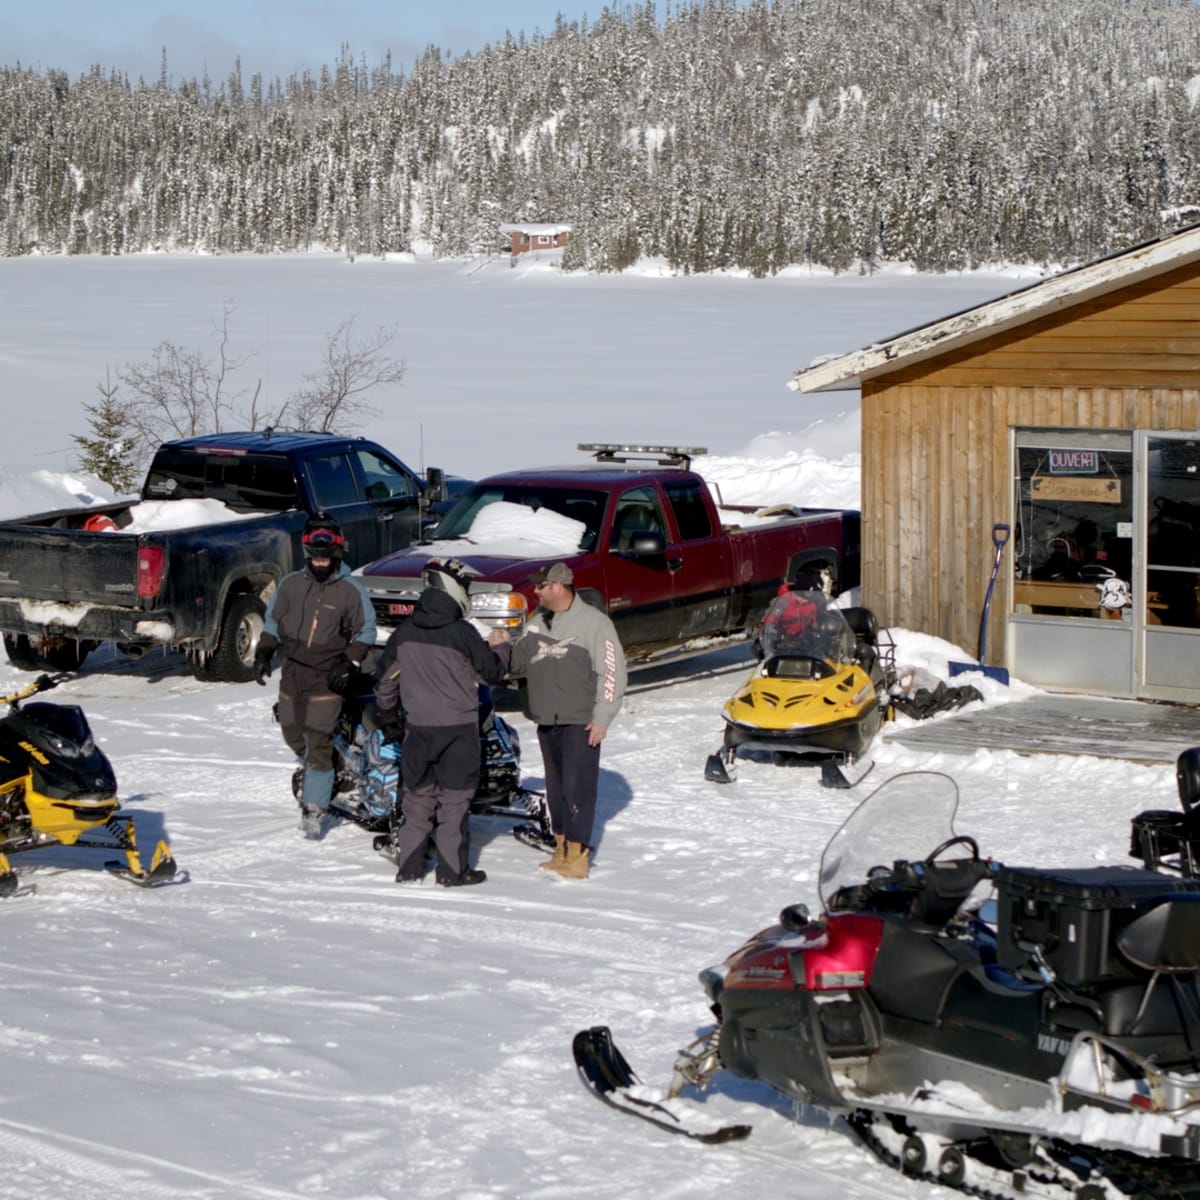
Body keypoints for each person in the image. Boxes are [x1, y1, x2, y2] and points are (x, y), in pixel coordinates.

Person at [373, 558, 509, 887]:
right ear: (451, 588)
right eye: (464, 587)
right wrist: (502, 648)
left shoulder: (404, 633)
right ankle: (451, 872)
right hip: (458, 733)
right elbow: (492, 673)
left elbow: (384, 685)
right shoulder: (463, 633)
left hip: (418, 730)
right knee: (454, 802)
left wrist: (390, 719)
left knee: (417, 801)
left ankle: (409, 869)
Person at [489, 562, 626, 880]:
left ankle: (577, 855)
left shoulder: (594, 623)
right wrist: (502, 648)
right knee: (556, 789)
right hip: (546, 718)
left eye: (540, 586)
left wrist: (602, 717)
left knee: (578, 789)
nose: (534, 591)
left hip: (580, 720)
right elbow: (520, 663)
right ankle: (562, 847)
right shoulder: (538, 621)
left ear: (558, 586)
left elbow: (613, 673)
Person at [253, 512, 376, 839]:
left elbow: (367, 631)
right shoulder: (290, 584)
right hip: (293, 671)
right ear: (306, 548)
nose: (321, 560)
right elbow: (272, 623)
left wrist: (348, 662)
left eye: (328, 551)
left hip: (328, 673)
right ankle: (329, 770)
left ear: (338, 550)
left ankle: (314, 807)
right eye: (314, 550)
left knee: (317, 740)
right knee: (293, 734)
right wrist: (264, 651)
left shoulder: (350, 590)